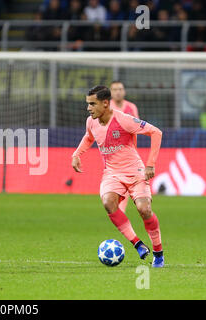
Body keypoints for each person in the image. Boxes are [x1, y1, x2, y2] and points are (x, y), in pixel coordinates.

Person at [71, 85, 164, 268]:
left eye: (92, 104)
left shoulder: (124, 120)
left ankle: (158, 253)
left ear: (105, 103)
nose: (88, 108)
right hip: (112, 173)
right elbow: (89, 137)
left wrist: (150, 164)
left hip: (135, 172)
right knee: (108, 203)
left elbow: (156, 132)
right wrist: (77, 154)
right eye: (88, 104)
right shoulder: (91, 121)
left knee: (144, 210)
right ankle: (137, 244)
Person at [109, 81, 139, 213]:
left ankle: (120, 212)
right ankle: (118, 211)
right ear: (110, 92)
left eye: (120, 89)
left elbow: (136, 128)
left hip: (127, 152)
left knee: (126, 181)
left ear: (124, 91)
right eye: (115, 89)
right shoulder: (106, 107)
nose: (118, 92)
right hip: (111, 153)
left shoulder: (131, 107)